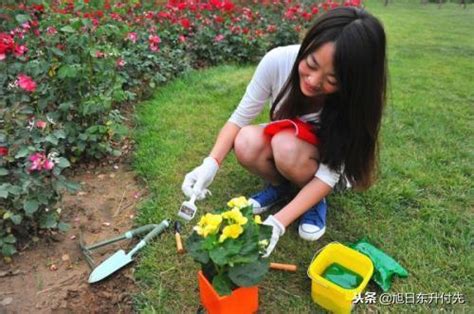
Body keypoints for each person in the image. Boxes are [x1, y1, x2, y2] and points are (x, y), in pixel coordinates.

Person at [182, 6, 387, 257]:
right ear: (307, 45)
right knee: (245, 140)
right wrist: (210, 164)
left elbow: (330, 172)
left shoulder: (355, 102)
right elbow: (238, 119)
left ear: (351, 81)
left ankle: (312, 200)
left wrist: (277, 223)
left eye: (331, 80)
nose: (312, 81)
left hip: (320, 164)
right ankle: (283, 187)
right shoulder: (278, 60)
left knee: (286, 146)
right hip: (290, 144)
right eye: (311, 63)